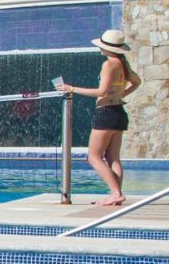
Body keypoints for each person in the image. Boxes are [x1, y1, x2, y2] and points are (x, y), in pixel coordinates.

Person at [58, 29, 140, 206]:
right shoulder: (123, 63)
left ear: (106, 48)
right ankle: (116, 194)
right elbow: (137, 82)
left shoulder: (109, 64)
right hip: (118, 111)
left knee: (93, 157)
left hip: (106, 113)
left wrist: (71, 88)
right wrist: (121, 94)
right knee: (113, 158)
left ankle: (116, 193)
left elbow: (102, 91)